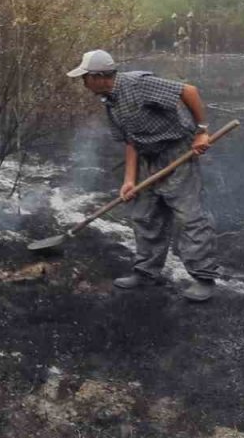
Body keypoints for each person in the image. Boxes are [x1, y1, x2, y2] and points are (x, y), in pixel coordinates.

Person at [68, 49, 222, 302]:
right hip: (148, 157)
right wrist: (129, 180)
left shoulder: (138, 84)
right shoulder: (111, 100)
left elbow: (189, 91)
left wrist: (202, 131)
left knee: (189, 216)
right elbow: (131, 140)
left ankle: (204, 278)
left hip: (176, 152)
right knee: (145, 215)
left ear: (98, 76)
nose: (83, 83)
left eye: (85, 77)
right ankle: (147, 272)